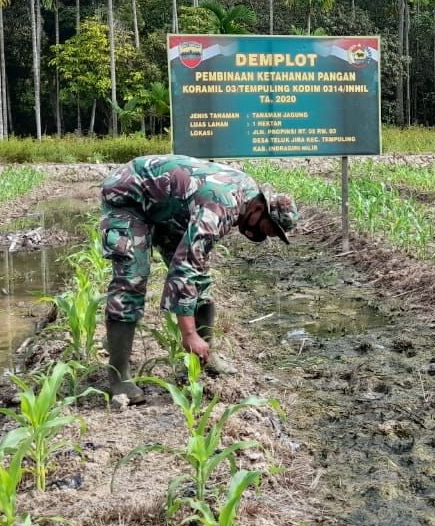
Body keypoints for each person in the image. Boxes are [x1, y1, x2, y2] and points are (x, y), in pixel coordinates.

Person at [99, 154, 298, 400]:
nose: (262, 236)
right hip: (130, 194)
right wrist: (188, 334)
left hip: (166, 204)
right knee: (131, 279)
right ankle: (119, 378)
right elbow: (184, 266)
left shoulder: (247, 194)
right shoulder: (221, 207)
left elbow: (194, 267)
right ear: (259, 209)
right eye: (267, 229)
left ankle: (206, 355)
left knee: (200, 278)